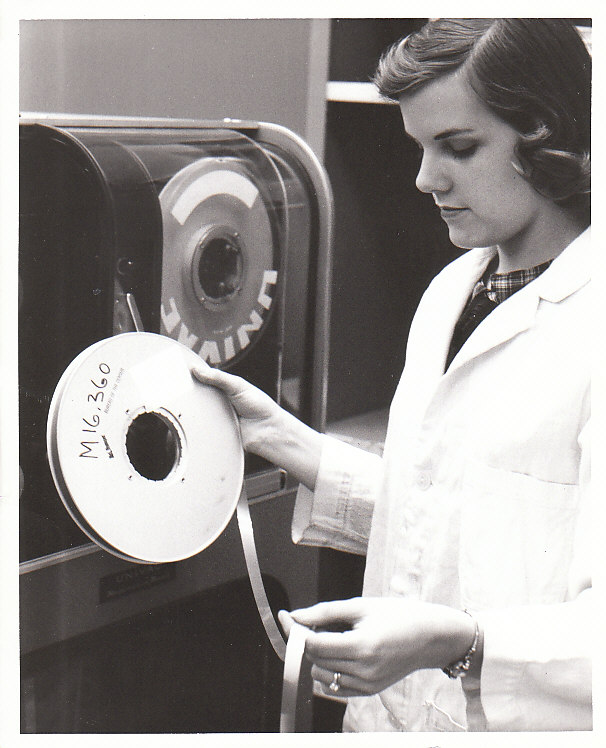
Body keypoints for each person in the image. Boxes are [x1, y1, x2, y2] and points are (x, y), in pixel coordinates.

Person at [193, 18, 592, 732]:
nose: (425, 178)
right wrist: (277, 434)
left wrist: (461, 643)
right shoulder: (451, 292)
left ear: (547, 134)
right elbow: (452, 510)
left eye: (459, 147)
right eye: (419, 147)